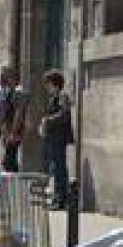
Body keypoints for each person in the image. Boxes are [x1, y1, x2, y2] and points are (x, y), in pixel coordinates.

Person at [40, 69, 75, 210]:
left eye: (47, 83)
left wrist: (47, 120)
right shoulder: (53, 98)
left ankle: (61, 199)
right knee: (56, 167)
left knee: (59, 168)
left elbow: (64, 115)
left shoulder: (62, 97)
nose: (46, 86)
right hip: (53, 137)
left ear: (55, 84)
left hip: (59, 138)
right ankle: (57, 198)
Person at [0, 67, 28, 172]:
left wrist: (13, 133)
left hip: (15, 130)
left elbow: (19, 113)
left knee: (9, 160)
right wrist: (4, 129)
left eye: (5, 76)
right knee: (9, 159)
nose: (3, 78)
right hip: (9, 129)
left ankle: (14, 185)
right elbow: (5, 112)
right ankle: (12, 184)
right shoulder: (9, 92)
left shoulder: (19, 91)